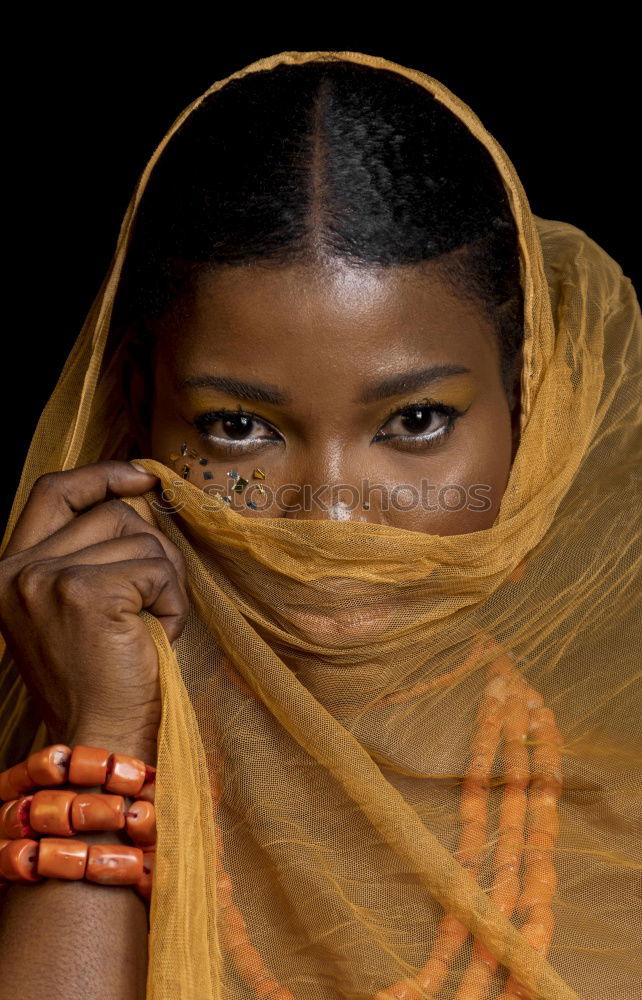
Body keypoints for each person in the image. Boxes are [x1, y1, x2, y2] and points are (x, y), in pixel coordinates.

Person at [0, 50, 639, 1000]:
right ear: (140, 413)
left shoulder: (615, 799)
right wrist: (103, 734)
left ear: (528, 409)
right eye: (240, 429)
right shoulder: (55, 737)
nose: (332, 513)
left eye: (415, 422)